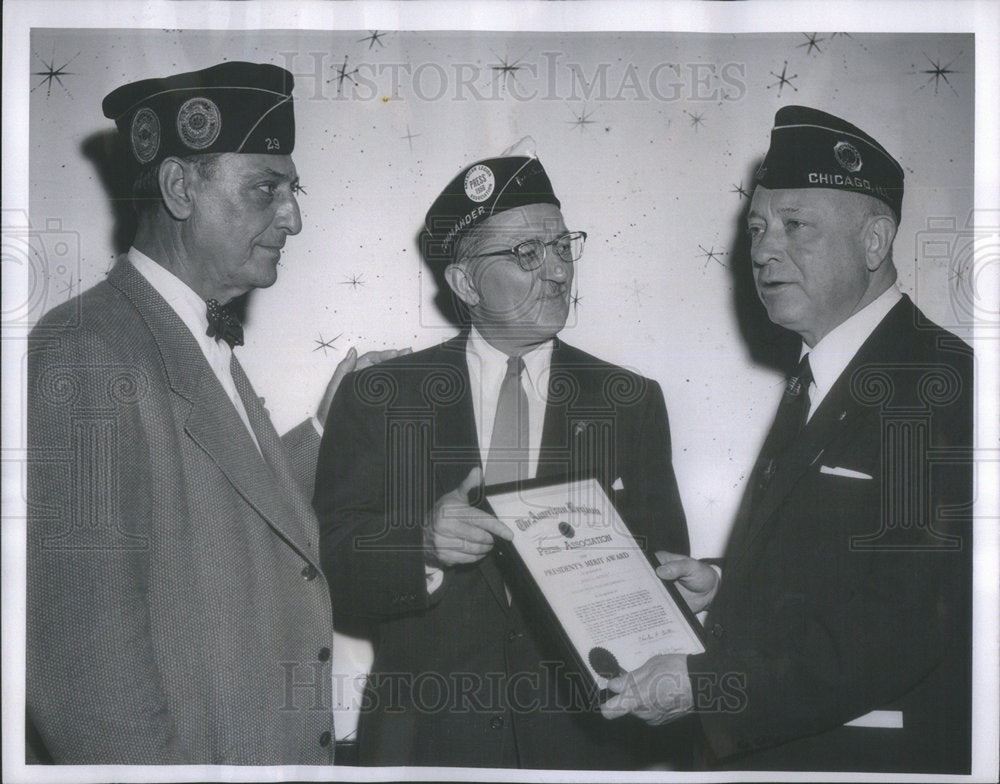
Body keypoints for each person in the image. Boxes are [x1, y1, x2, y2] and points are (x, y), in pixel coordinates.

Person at [26, 61, 402, 765]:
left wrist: (328, 425)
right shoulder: (85, 351)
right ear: (178, 188)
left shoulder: (187, 336)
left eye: (293, 190)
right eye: (266, 188)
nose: (294, 217)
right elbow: (83, 677)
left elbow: (223, 517)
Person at [601, 106, 973, 774]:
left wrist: (706, 685)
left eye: (795, 226)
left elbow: (904, 624)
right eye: (757, 229)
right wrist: (723, 582)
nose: (765, 250)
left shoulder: (939, 385)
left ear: (874, 241)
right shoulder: (823, 375)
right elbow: (839, 564)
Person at [313, 139, 692, 769]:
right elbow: (326, 567)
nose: (559, 271)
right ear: (464, 281)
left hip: (587, 749)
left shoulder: (630, 401)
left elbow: (661, 581)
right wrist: (421, 546)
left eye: (563, 246)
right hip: (426, 748)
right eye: (526, 253)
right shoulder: (382, 396)